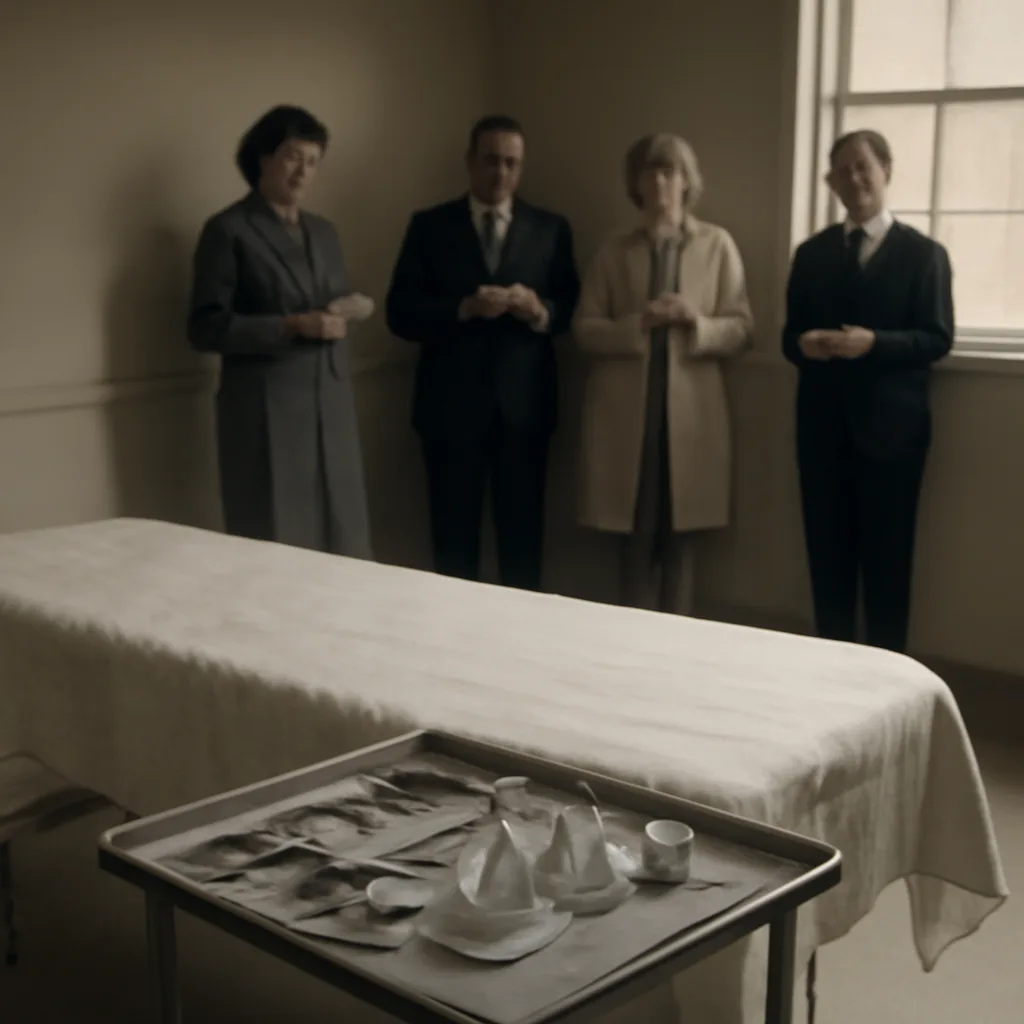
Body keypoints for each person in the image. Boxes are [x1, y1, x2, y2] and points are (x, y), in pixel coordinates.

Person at [385, 115, 580, 591]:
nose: (501, 173)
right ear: (470, 162)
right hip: (449, 413)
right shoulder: (429, 227)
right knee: (453, 550)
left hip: (525, 413)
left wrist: (538, 311)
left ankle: (520, 648)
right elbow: (399, 313)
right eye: (491, 160)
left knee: (522, 548)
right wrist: (462, 308)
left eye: (512, 163)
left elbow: (570, 307)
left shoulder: (550, 229)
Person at [782, 129, 954, 652]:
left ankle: (886, 685)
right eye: (842, 171)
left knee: (888, 565)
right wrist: (808, 344)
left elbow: (936, 337)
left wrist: (873, 343)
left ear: (886, 171)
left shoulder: (924, 255)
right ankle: (825, 672)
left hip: (894, 434)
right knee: (827, 561)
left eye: (863, 167)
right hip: (822, 429)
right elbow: (789, 338)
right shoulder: (810, 255)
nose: (853, 179)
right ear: (829, 182)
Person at [573, 133, 753, 614]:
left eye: (670, 171)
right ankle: (630, 644)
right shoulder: (614, 250)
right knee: (633, 532)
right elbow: (585, 330)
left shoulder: (717, 245)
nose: (660, 182)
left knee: (682, 536)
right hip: (627, 417)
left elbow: (741, 329)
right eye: (649, 172)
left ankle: (677, 646)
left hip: (691, 416)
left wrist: (696, 321)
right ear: (635, 183)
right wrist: (640, 324)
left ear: (687, 181)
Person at [187, 105, 375, 557]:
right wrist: (290, 325)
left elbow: (328, 300)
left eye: (312, 161)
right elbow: (206, 327)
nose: (302, 171)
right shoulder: (228, 230)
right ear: (263, 158)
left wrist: (352, 308)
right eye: (293, 156)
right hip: (265, 413)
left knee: (343, 539)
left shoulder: (325, 233)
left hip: (330, 410)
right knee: (276, 543)